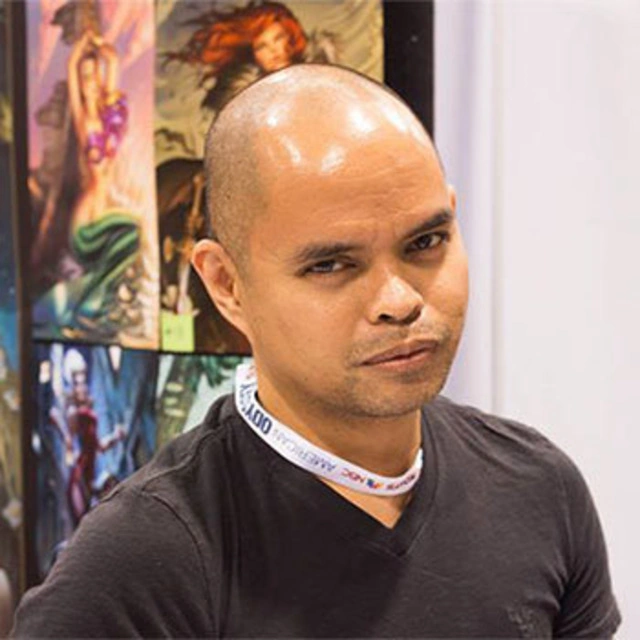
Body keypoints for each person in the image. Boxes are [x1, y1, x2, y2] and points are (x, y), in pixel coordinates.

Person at [12, 65, 621, 638]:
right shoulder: (143, 564)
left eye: (426, 242)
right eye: (330, 265)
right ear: (226, 285)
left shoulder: (538, 489)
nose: (399, 300)